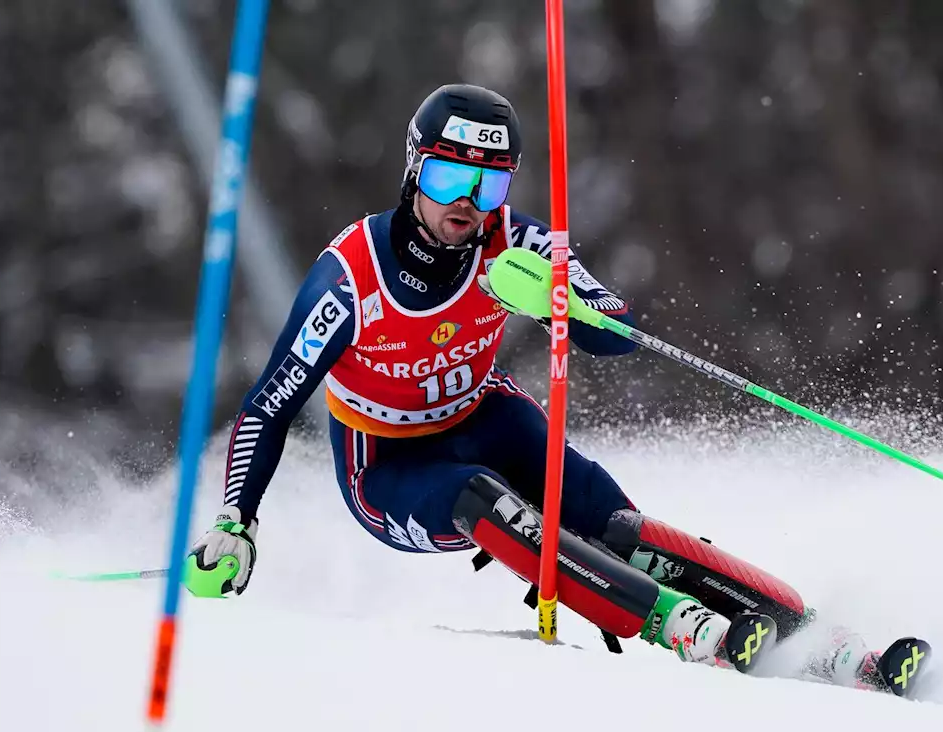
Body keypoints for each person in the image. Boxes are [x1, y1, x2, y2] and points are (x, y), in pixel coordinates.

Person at [182, 83, 893, 685]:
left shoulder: (514, 244)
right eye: (445, 178)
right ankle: (675, 622)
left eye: (488, 182)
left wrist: (568, 303)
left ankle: (823, 642)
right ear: (412, 172)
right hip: (390, 462)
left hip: (483, 415)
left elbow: (615, 328)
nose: (466, 202)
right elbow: (267, 406)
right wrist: (236, 523)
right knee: (481, 499)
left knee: (616, 527)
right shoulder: (350, 280)